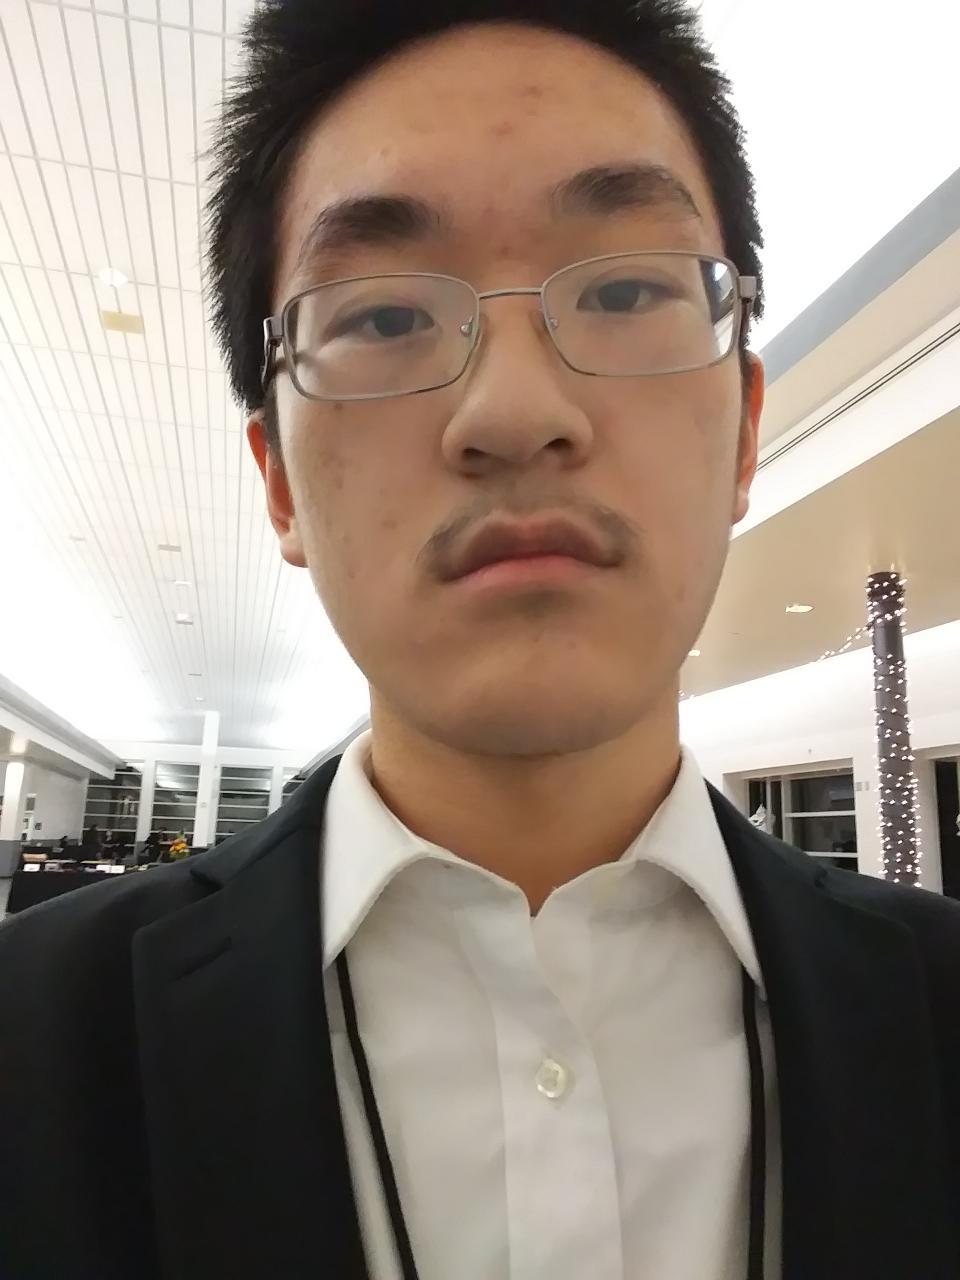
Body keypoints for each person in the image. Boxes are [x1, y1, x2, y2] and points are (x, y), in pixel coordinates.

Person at [1, 3, 959, 1277]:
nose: (513, 412)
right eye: (385, 316)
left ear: (743, 429)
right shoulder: (33, 1043)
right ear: (278, 482)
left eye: (624, 289)